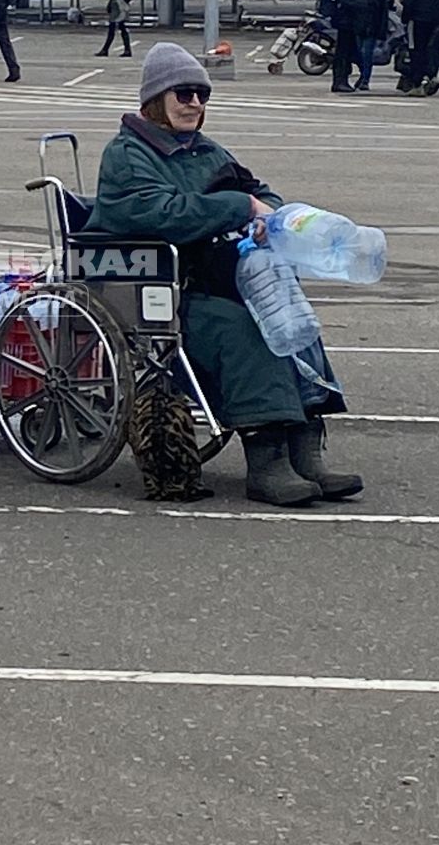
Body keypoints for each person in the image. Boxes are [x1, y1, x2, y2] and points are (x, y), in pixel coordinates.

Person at [82, 42, 361, 507]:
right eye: (183, 94)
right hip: (168, 284)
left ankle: (305, 447)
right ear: (156, 98)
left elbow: (260, 191)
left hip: (224, 271)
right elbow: (157, 212)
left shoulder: (207, 151)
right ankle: (266, 458)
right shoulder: (128, 153)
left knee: (292, 317)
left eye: (201, 95)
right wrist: (236, 207)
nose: (194, 103)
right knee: (246, 327)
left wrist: (266, 214)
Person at [319, 0, 362, 93]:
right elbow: (347, 1)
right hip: (345, 21)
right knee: (343, 52)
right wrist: (360, 4)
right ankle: (340, 81)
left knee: (345, 51)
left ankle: (343, 80)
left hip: (343, 20)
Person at [352, 0, 387, 91]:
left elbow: (383, 13)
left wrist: (382, 31)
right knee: (358, 55)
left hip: (372, 29)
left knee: (366, 54)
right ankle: (362, 76)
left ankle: (365, 79)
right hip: (359, 28)